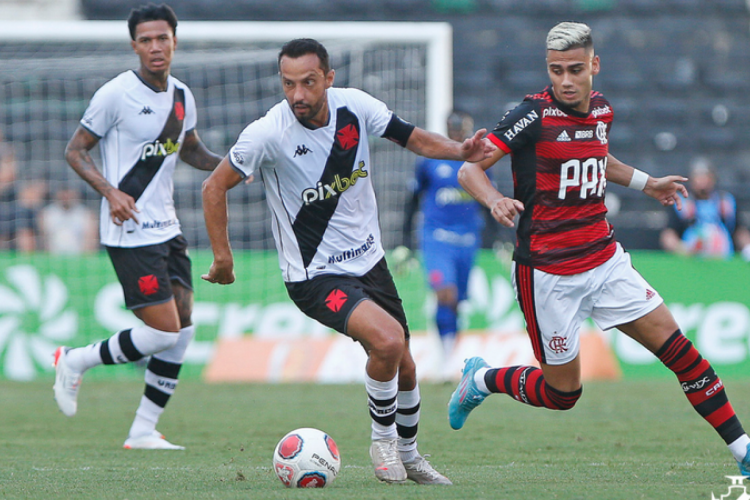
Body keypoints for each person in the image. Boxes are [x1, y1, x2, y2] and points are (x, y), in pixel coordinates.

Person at [448, 21, 750, 477]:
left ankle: (744, 451)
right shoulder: (532, 115)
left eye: (574, 69)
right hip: (547, 273)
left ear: (594, 65)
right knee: (563, 395)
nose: (565, 81)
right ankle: (483, 379)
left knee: (683, 354)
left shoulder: (603, 110)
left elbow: (598, 155)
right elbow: (470, 169)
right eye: (555, 71)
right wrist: (494, 199)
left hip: (605, 260)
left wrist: (648, 184)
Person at [201, 38, 494, 484]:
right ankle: (383, 442)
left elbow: (412, 137)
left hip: (369, 262)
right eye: (289, 84)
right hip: (314, 275)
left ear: (329, 79)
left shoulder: (354, 108)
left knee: (407, 365)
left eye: (308, 83)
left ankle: (411, 457)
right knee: (389, 342)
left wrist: (460, 151)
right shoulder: (267, 133)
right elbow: (213, 187)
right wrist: (223, 258)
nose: (298, 94)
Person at [55, 3, 222, 450]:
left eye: (161, 38)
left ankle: (143, 429)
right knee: (164, 331)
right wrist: (111, 192)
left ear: (174, 40)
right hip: (128, 231)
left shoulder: (183, 96)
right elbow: (75, 151)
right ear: (134, 45)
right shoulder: (115, 95)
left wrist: (235, 167)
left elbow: (191, 151)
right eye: (145, 40)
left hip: (168, 228)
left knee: (183, 329)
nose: (154, 47)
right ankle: (75, 360)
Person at [395, 110, 488, 363]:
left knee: (455, 300)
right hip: (436, 237)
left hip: (467, 239)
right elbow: (413, 200)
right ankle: (443, 358)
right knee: (444, 293)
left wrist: (501, 236)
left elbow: (488, 199)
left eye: (460, 127)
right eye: (452, 126)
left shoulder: (478, 161)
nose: (456, 131)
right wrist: (406, 242)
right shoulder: (430, 160)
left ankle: (450, 351)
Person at [660, 156, 750, 260]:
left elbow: (739, 231)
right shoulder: (681, 203)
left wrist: (747, 247)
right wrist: (681, 248)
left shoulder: (726, 201)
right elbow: (668, 235)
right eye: (698, 177)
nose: (702, 182)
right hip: (692, 260)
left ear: (713, 178)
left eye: (706, 177)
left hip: (723, 260)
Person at [40, 187, 99, 254]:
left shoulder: (85, 213)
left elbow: (91, 238)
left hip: (79, 258)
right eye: (63, 193)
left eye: (68, 193)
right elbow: (43, 239)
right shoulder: (47, 213)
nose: (66, 196)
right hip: (53, 257)